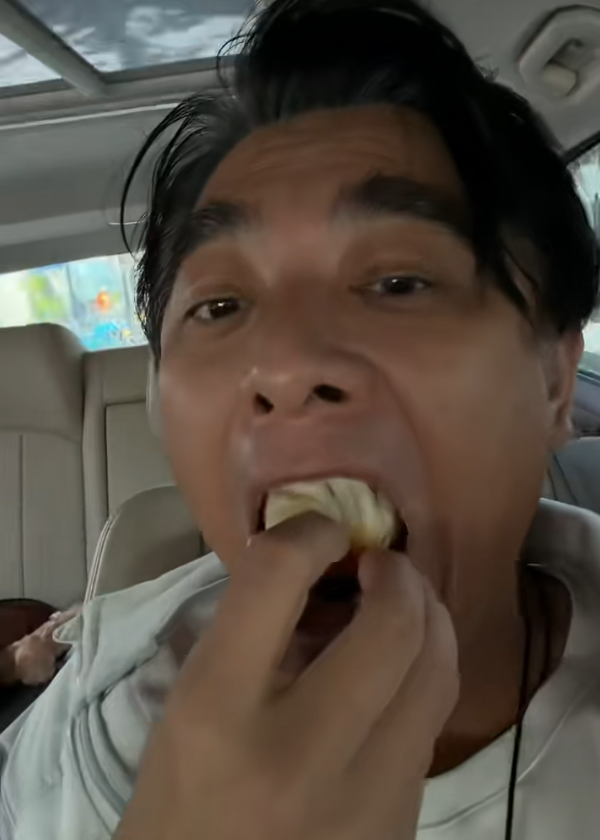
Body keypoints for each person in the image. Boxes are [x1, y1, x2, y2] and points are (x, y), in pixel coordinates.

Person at [1, 0, 599, 838]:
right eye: (219, 305)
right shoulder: (98, 694)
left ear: (555, 384)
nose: (283, 366)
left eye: (399, 283)